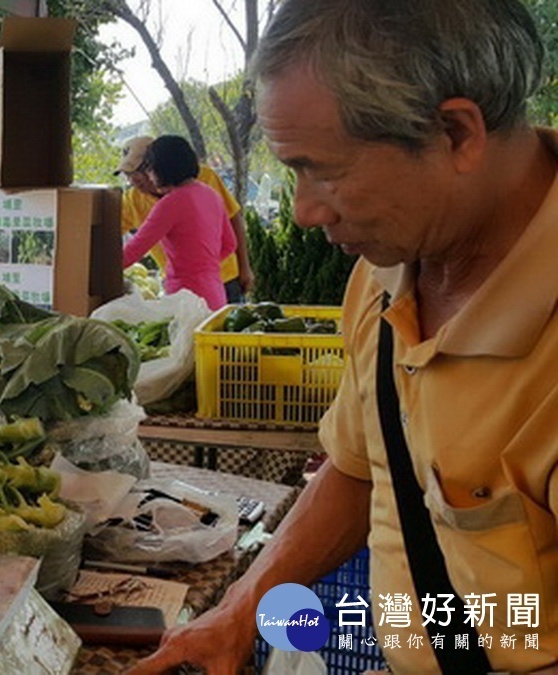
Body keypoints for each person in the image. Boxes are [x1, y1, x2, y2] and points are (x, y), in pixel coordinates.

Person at [129, 1, 558, 673]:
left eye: (322, 169)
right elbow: (360, 467)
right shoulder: (385, 274)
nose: (304, 211)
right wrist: (239, 611)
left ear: (455, 132)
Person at [117, 135, 255, 302]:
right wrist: (204, 264)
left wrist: (93, 274)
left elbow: (134, 251)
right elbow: (229, 243)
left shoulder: (170, 203)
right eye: (128, 175)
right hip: (214, 289)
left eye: (144, 170)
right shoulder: (209, 194)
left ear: (160, 167)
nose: (134, 180)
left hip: (186, 296)